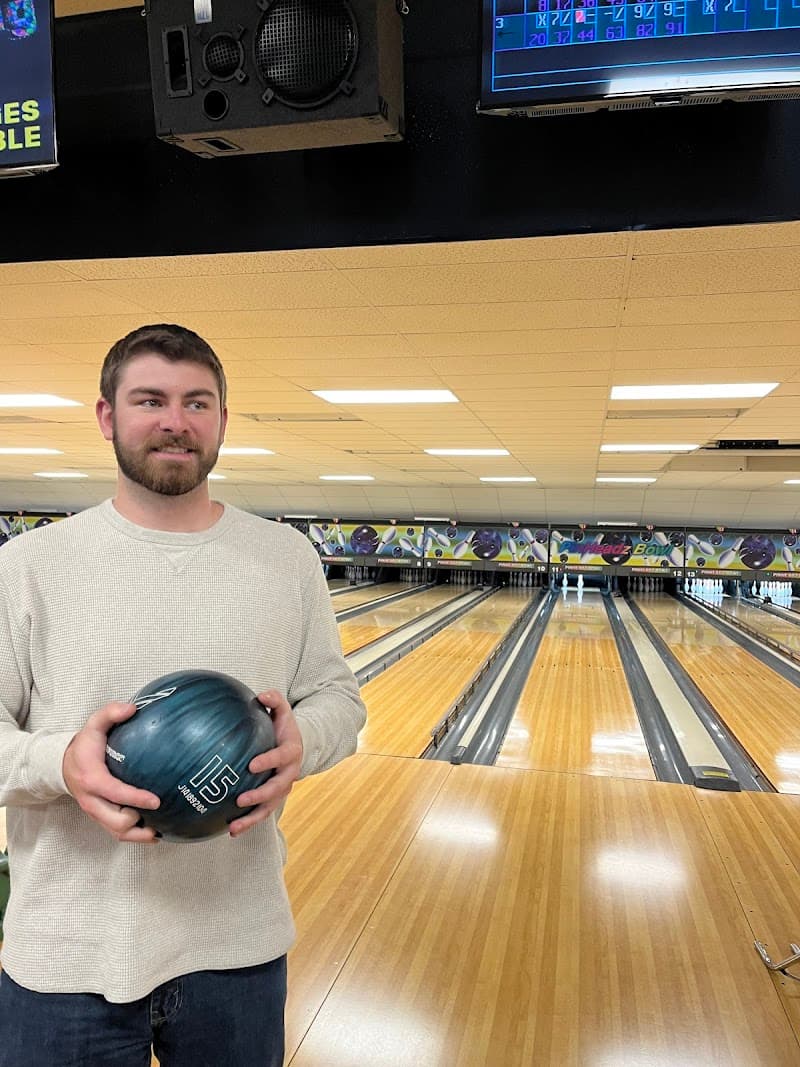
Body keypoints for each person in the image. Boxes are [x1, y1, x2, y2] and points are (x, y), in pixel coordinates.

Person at [0, 323, 366, 1066]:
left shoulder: (286, 559)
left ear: (223, 420)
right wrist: (60, 764)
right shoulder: (30, 564)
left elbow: (338, 697)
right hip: (65, 955)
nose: (176, 420)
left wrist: (304, 741)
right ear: (108, 416)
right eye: (150, 399)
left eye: (198, 402)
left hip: (238, 947)